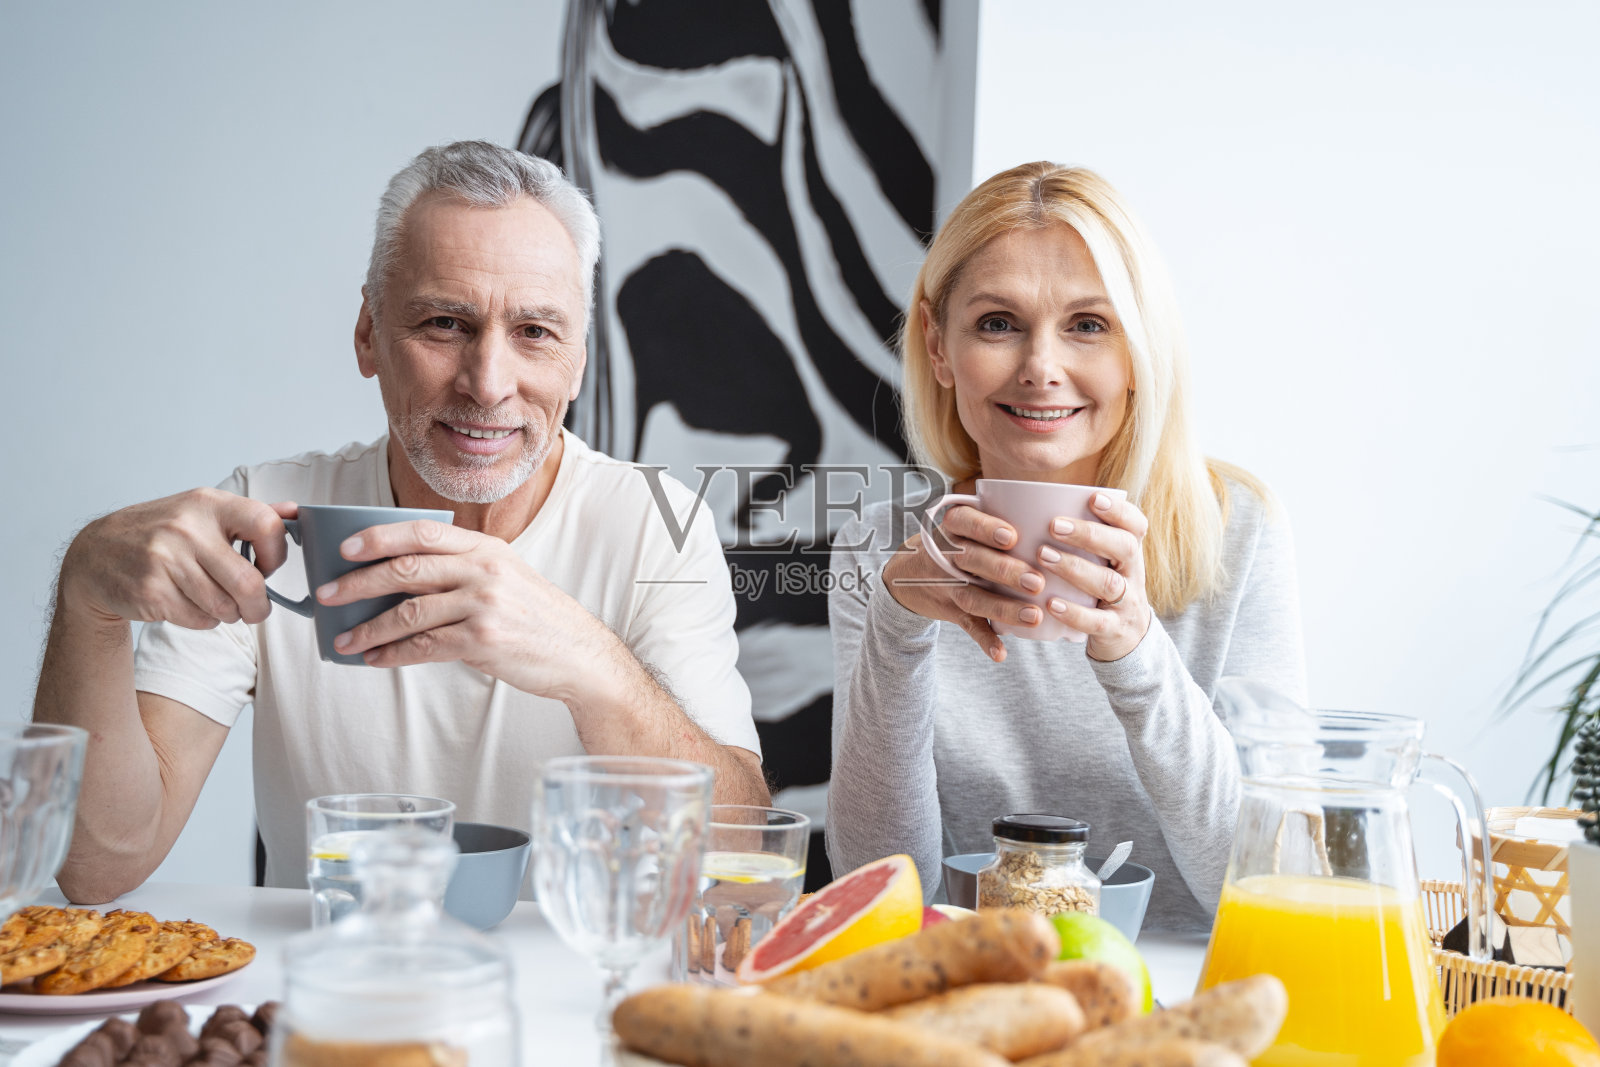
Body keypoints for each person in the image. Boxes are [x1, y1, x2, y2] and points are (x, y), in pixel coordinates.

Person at [34, 141, 769, 905]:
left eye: (535, 333)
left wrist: (585, 658)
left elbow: (740, 860)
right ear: (368, 335)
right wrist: (88, 597)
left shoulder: (655, 525)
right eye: (445, 323)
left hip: (576, 1006)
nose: (488, 384)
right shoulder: (269, 516)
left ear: (580, 361)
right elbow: (97, 864)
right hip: (330, 1000)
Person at [826, 163, 1305, 933]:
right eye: (997, 323)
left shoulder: (1236, 530)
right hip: (975, 999)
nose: (1041, 367)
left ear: (1139, 352)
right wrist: (897, 627)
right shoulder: (882, 550)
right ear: (938, 346)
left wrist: (1136, 649)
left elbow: (1272, 882)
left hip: (1184, 1012)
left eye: (1088, 324)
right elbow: (880, 894)